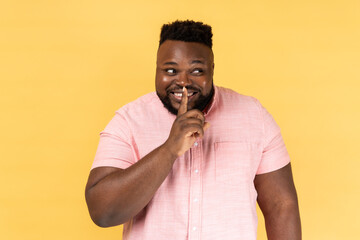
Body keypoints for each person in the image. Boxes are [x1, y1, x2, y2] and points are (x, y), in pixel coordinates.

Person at [85, 20, 301, 240]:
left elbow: (281, 206)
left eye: (197, 70)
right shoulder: (128, 122)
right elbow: (103, 212)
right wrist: (170, 149)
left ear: (212, 70)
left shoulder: (254, 117)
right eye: (171, 70)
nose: (183, 82)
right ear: (157, 69)